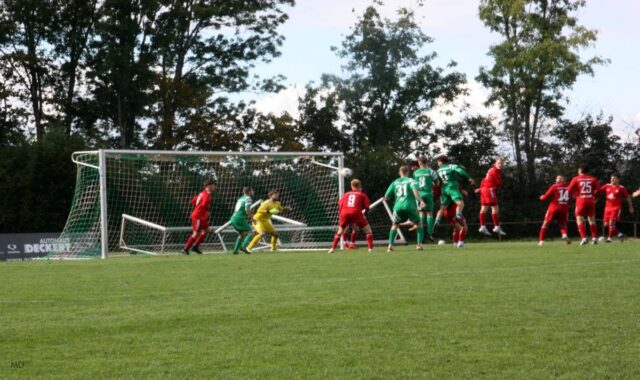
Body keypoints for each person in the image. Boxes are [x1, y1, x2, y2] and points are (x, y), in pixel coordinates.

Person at [384, 166, 426, 252]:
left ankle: (390, 246)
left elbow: (386, 196)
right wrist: (421, 201)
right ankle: (419, 245)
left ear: (400, 173)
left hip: (398, 207)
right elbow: (415, 192)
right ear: (408, 172)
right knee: (419, 224)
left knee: (395, 225)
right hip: (410, 207)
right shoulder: (412, 181)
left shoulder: (394, 182)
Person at [328, 179, 374, 254]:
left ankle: (332, 248)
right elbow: (367, 207)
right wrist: (365, 214)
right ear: (359, 186)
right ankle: (370, 249)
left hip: (344, 212)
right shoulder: (362, 194)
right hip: (356, 212)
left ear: (351, 186)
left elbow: (340, 205)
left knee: (340, 231)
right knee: (368, 231)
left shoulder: (346, 194)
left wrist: (341, 215)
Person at [434, 155, 475, 226]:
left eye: (437, 162)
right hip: (452, 187)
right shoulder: (451, 166)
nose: (437, 163)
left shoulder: (438, 170)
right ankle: (458, 215)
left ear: (440, 161)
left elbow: (436, 181)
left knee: (443, 207)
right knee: (460, 203)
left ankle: (437, 220)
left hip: (444, 189)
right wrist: (469, 178)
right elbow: (461, 171)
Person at [567, 164, 601, 245]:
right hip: (590, 200)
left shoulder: (576, 179)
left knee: (579, 219)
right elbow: (598, 190)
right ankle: (594, 238)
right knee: (592, 219)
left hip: (581, 200)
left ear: (580, 170)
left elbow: (569, 190)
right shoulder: (593, 179)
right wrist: (595, 197)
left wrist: (575, 195)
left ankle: (584, 238)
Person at [183, 179, 216, 255]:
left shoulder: (202, 193)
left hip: (201, 216)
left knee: (207, 230)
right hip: (198, 216)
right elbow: (204, 204)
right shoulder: (207, 195)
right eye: (213, 185)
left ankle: (195, 246)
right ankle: (185, 249)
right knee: (196, 234)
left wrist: (200, 208)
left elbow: (193, 201)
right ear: (208, 186)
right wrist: (207, 211)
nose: (214, 186)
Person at [411, 156, 439, 241]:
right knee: (429, 214)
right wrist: (433, 184)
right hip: (428, 194)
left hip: (419, 194)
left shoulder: (415, 173)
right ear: (426, 162)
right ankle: (430, 234)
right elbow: (437, 183)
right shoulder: (431, 172)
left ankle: (421, 236)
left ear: (419, 163)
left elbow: (414, 185)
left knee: (421, 214)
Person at [599, 174, 634, 242]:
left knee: (612, 223)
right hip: (607, 208)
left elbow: (628, 198)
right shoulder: (607, 186)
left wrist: (631, 207)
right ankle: (620, 234)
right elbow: (599, 191)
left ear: (618, 180)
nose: (612, 180)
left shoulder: (621, 188)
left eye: (614, 178)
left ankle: (609, 238)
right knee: (606, 224)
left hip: (616, 208)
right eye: (611, 178)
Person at [538, 175, 571, 245]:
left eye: (558, 178)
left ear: (562, 179)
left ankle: (541, 241)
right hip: (564, 209)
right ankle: (564, 235)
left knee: (545, 224)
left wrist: (541, 197)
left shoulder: (554, 186)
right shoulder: (569, 187)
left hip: (554, 208)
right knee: (563, 225)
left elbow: (545, 197)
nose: (556, 179)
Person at [477, 157, 506, 236]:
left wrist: (480, 188)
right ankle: (496, 226)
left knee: (483, 209)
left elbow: (484, 179)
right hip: (489, 190)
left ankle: (482, 226)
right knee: (495, 208)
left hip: (484, 190)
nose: (500, 165)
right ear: (495, 163)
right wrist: (498, 185)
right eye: (499, 163)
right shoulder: (496, 171)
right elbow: (499, 182)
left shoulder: (490, 169)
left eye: (502, 163)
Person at [229, 187, 255, 254]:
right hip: (239, 218)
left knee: (242, 234)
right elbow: (247, 209)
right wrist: (252, 218)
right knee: (251, 232)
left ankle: (235, 251)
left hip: (233, 218)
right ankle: (243, 247)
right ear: (249, 192)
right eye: (252, 190)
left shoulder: (241, 198)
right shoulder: (248, 198)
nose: (253, 192)